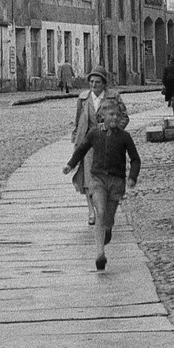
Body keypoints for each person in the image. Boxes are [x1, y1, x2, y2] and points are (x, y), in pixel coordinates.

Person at [64, 98, 140, 271]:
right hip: (97, 179)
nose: (114, 118)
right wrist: (70, 165)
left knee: (109, 218)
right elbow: (81, 149)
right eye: (111, 115)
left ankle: (108, 228)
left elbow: (135, 159)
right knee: (100, 212)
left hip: (116, 182)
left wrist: (132, 178)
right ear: (102, 116)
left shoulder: (125, 137)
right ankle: (100, 254)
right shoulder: (94, 134)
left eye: (117, 115)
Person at [71, 66, 124, 225]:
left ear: (104, 83)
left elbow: (124, 117)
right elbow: (78, 120)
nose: (94, 85)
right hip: (88, 142)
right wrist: (76, 140)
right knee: (88, 178)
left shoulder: (113, 98)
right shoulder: (83, 99)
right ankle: (91, 211)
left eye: (97, 82)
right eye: (91, 82)